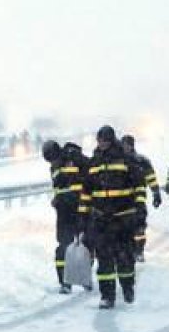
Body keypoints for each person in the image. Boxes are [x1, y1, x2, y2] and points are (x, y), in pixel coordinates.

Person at [79, 125, 147, 309]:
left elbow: (139, 186)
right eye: (99, 141)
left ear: (111, 140)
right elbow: (86, 193)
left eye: (104, 141)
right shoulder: (93, 164)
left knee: (124, 257)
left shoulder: (126, 160)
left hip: (123, 218)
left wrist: (140, 209)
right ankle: (107, 295)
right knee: (104, 260)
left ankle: (127, 287)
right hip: (101, 220)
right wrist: (83, 216)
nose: (101, 144)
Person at [43, 140, 88, 293]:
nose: (52, 162)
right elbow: (59, 187)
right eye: (49, 161)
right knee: (63, 245)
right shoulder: (53, 167)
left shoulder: (74, 157)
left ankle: (84, 278)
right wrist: (57, 199)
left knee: (84, 244)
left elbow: (88, 178)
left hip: (80, 208)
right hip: (63, 211)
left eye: (53, 159)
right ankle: (64, 282)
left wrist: (85, 200)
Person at [121, 134, 162, 262]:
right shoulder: (117, 160)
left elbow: (151, 178)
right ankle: (127, 251)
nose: (125, 147)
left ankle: (139, 251)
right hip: (121, 200)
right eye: (124, 144)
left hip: (138, 199)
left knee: (139, 227)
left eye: (128, 144)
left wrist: (156, 193)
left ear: (132, 145)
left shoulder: (142, 161)